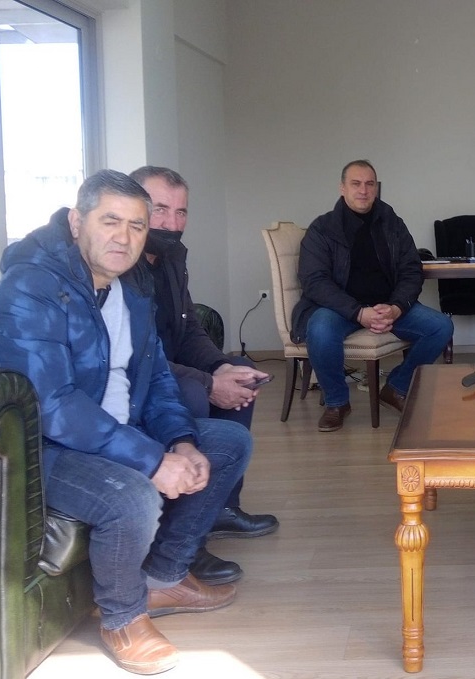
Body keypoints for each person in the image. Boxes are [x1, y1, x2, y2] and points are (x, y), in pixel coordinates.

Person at [0, 170, 251, 674]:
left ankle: (164, 579)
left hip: (117, 430)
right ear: (77, 222)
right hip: (42, 447)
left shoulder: (133, 286)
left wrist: (181, 441)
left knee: (227, 443)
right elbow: (53, 405)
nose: (124, 237)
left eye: (137, 226)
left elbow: (157, 376)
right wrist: (152, 461)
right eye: (110, 221)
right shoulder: (31, 289)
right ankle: (122, 618)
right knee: (132, 495)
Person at [131, 166, 279, 586]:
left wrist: (220, 367)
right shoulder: (120, 264)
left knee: (241, 372)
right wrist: (209, 383)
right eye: (160, 210)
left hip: (166, 368)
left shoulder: (173, 257)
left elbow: (188, 328)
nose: (171, 223)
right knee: (194, 395)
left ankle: (221, 508)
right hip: (139, 379)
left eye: (181, 212)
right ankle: (183, 538)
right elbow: (137, 356)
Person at [292, 159, 452, 432]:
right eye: (356, 184)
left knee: (441, 326)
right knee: (319, 328)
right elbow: (314, 281)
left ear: (376, 188)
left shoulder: (393, 223)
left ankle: (396, 387)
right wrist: (358, 313)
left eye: (369, 184)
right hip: (340, 309)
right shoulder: (322, 228)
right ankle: (336, 402)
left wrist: (397, 307)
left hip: (388, 305)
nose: (363, 190)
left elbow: (411, 269)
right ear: (342, 188)